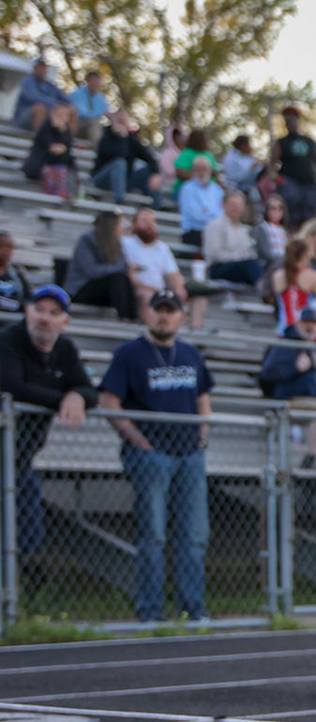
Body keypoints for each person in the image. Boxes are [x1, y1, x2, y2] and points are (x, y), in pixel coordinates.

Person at [98, 290, 214, 623]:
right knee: (154, 535)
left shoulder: (190, 354)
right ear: (148, 314)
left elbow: (203, 397)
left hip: (189, 455)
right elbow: (109, 403)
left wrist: (202, 436)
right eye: (158, 310)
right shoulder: (130, 354)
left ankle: (193, 609)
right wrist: (138, 440)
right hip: (152, 456)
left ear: (181, 315)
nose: (164, 316)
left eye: (171, 311)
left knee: (193, 536)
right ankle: (150, 611)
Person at [0, 286, 96, 560]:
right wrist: (63, 398)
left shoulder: (64, 348)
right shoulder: (8, 339)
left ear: (65, 321)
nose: (44, 318)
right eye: (39, 309)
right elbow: (12, 386)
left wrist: (77, 395)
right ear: (27, 311)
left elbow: (89, 390)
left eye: (54, 313)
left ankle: (13, 593)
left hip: (23, 456)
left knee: (29, 531)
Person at [259, 304, 316, 465]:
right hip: (292, 400)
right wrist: (295, 368)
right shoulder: (285, 344)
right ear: (297, 323)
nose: (310, 326)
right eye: (306, 322)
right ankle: (310, 458)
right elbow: (266, 376)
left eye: (314, 323)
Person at [124, 208, 196, 327]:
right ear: (135, 224)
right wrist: (153, 290)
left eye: (152, 222)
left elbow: (173, 274)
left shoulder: (162, 248)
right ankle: (149, 328)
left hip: (159, 291)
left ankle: (194, 330)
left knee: (194, 296)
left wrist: (179, 289)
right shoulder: (126, 244)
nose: (149, 226)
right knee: (147, 296)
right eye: (145, 222)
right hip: (138, 289)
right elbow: (129, 276)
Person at [64, 211, 137, 320]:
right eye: (120, 224)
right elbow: (92, 271)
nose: (123, 228)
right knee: (117, 279)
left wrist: (122, 268)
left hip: (104, 289)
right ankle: (125, 318)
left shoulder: (116, 244)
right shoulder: (86, 240)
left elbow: (122, 265)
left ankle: (132, 318)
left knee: (124, 280)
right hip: (81, 288)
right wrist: (120, 267)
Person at [90, 112, 162, 205]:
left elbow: (149, 157)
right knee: (119, 163)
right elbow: (119, 155)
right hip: (102, 179)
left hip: (125, 181)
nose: (122, 124)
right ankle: (120, 200)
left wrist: (155, 173)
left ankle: (157, 205)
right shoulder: (106, 137)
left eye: (125, 122)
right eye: (120, 121)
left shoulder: (131, 139)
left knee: (148, 171)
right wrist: (121, 138)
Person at [270, 105, 316, 224]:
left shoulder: (310, 142)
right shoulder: (281, 143)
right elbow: (272, 164)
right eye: (287, 120)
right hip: (290, 182)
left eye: (292, 119)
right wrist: (278, 179)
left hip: (309, 184)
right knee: (291, 205)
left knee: (310, 214)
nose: (290, 123)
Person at [200, 188, 265, 287]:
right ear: (224, 206)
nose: (236, 209)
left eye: (239, 206)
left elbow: (247, 252)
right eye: (233, 205)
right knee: (251, 266)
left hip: (240, 267)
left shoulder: (242, 229)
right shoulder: (214, 225)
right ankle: (266, 293)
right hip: (218, 267)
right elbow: (214, 254)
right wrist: (238, 259)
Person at [24, 102, 76, 199]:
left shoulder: (66, 131)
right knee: (58, 170)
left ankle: (69, 193)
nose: (62, 117)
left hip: (59, 166)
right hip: (40, 166)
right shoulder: (45, 127)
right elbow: (52, 148)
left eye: (65, 115)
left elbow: (66, 151)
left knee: (66, 168)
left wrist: (62, 131)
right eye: (59, 114)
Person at [176, 156, 224, 246]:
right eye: (198, 169)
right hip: (194, 231)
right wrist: (213, 216)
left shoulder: (217, 190)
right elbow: (195, 215)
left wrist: (207, 212)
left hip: (214, 230)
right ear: (193, 172)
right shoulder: (187, 189)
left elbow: (221, 212)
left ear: (210, 171)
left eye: (204, 169)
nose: (201, 173)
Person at [11, 59, 64, 130]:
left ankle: (66, 138)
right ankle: (39, 137)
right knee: (40, 108)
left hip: (48, 114)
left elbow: (64, 98)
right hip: (23, 118)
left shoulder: (50, 85)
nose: (43, 70)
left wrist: (64, 105)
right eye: (40, 67)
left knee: (70, 109)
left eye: (44, 68)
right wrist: (54, 103)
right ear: (35, 68)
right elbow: (33, 97)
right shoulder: (28, 81)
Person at [68, 68, 110, 144]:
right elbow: (81, 113)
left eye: (98, 82)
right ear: (88, 81)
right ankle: (96, 149)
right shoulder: (77, 94)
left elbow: (106, 112)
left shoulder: (101, 98)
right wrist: (96, 114)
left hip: (93, 125)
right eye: (94, 81)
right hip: (78, 124)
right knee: (94, 122)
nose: (96, 84)